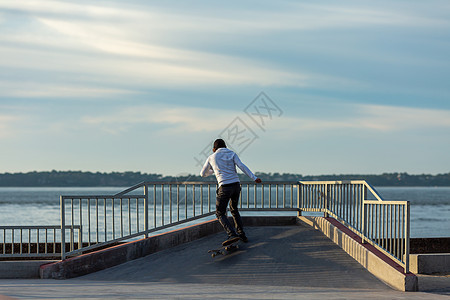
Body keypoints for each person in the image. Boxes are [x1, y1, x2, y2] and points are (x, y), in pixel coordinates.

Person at [200, 139, 262, 245]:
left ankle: (232, 234)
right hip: (236, 185)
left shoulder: (211, 157)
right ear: (225, 147)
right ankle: (241, 234)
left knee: (220, 213)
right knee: (234, 210)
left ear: (214, 149)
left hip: (224, 187)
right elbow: (242, 166)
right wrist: (254, 177)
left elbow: (202, 173)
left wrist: (213, 170)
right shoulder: (232, 153)